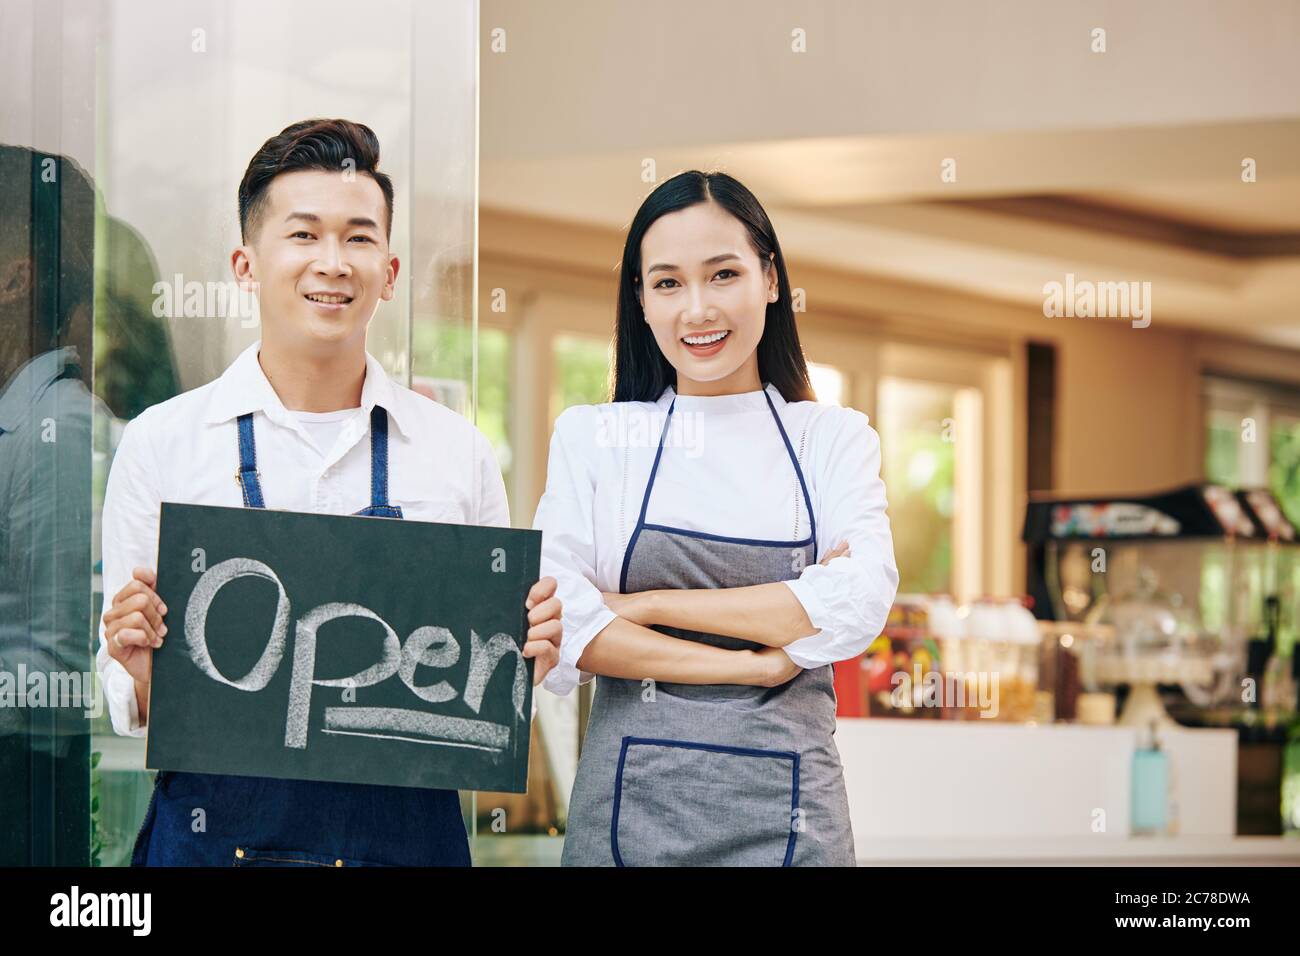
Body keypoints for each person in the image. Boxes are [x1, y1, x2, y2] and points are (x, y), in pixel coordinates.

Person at [96, 118, 562, 866]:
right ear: (246, 265)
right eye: (304, 235)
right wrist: (147, 670)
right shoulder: (163, 443)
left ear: (392, 269)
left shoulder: (458, 456)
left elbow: (485, 692)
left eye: (359, 237)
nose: (334, 262)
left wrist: (524, 654)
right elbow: (130, 699)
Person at [533, 170, 898, 866]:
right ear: (640, 301)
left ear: (769, 278)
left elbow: (857, 601)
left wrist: (643, 605)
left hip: (791, 819)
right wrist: (755, 668)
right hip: (629, 811)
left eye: (723, 274)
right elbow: (566, 622)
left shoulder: (831, 438)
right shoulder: (596, 439)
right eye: (667, 283)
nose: (697, 309)